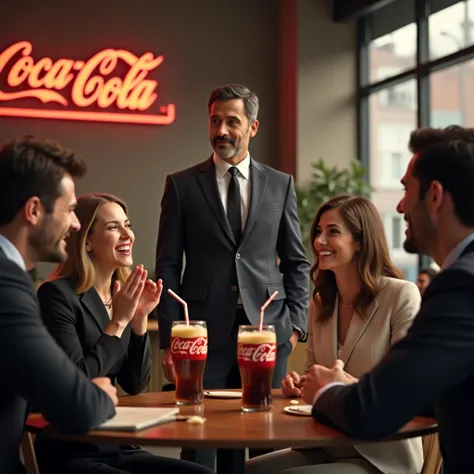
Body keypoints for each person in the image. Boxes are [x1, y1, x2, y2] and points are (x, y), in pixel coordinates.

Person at [301, 126, 474, 474]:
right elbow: (425, 393)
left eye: (406, 188)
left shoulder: (461, 285)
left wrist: (328, 389)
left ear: (435, 196)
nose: (399, 205)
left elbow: (374, 410)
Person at [155, 84, 310, 470]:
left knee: (265, 440)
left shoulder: (280, 184)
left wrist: (295, 329)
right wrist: (172, 340)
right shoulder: (182, 185)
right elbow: (168, 267)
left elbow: (296, 262)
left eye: (232, 121)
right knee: (199, 438)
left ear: (253, 127)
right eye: (215, 120)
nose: (221, 130)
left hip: (267, 331)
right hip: (201, 334)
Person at [36, 193, 214, 474]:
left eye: (127, 225)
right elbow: (77, 381)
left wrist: (139, 320)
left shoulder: (120, 294)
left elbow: (134, 384)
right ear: (87, 240)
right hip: (75, 448)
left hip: (119, 445)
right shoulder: (56, 295)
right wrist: (118, 323)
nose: (127, 234)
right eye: (112, 227)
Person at [246, 195, 423, 474]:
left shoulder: (401, 295)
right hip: (325, 444)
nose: (319, 241)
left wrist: (340, 385)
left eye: (333, 232)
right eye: (318, 231)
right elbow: (314, 376)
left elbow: (407, 388)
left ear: (361, 241)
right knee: (247, 470)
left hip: (380, 454)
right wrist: (301, 385)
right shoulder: (320, 303)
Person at [0, 136, 117, 474]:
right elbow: (76, 407)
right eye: (69, 211)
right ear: (34, 210)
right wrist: (100, 395)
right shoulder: (7, 286)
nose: (76, 224)